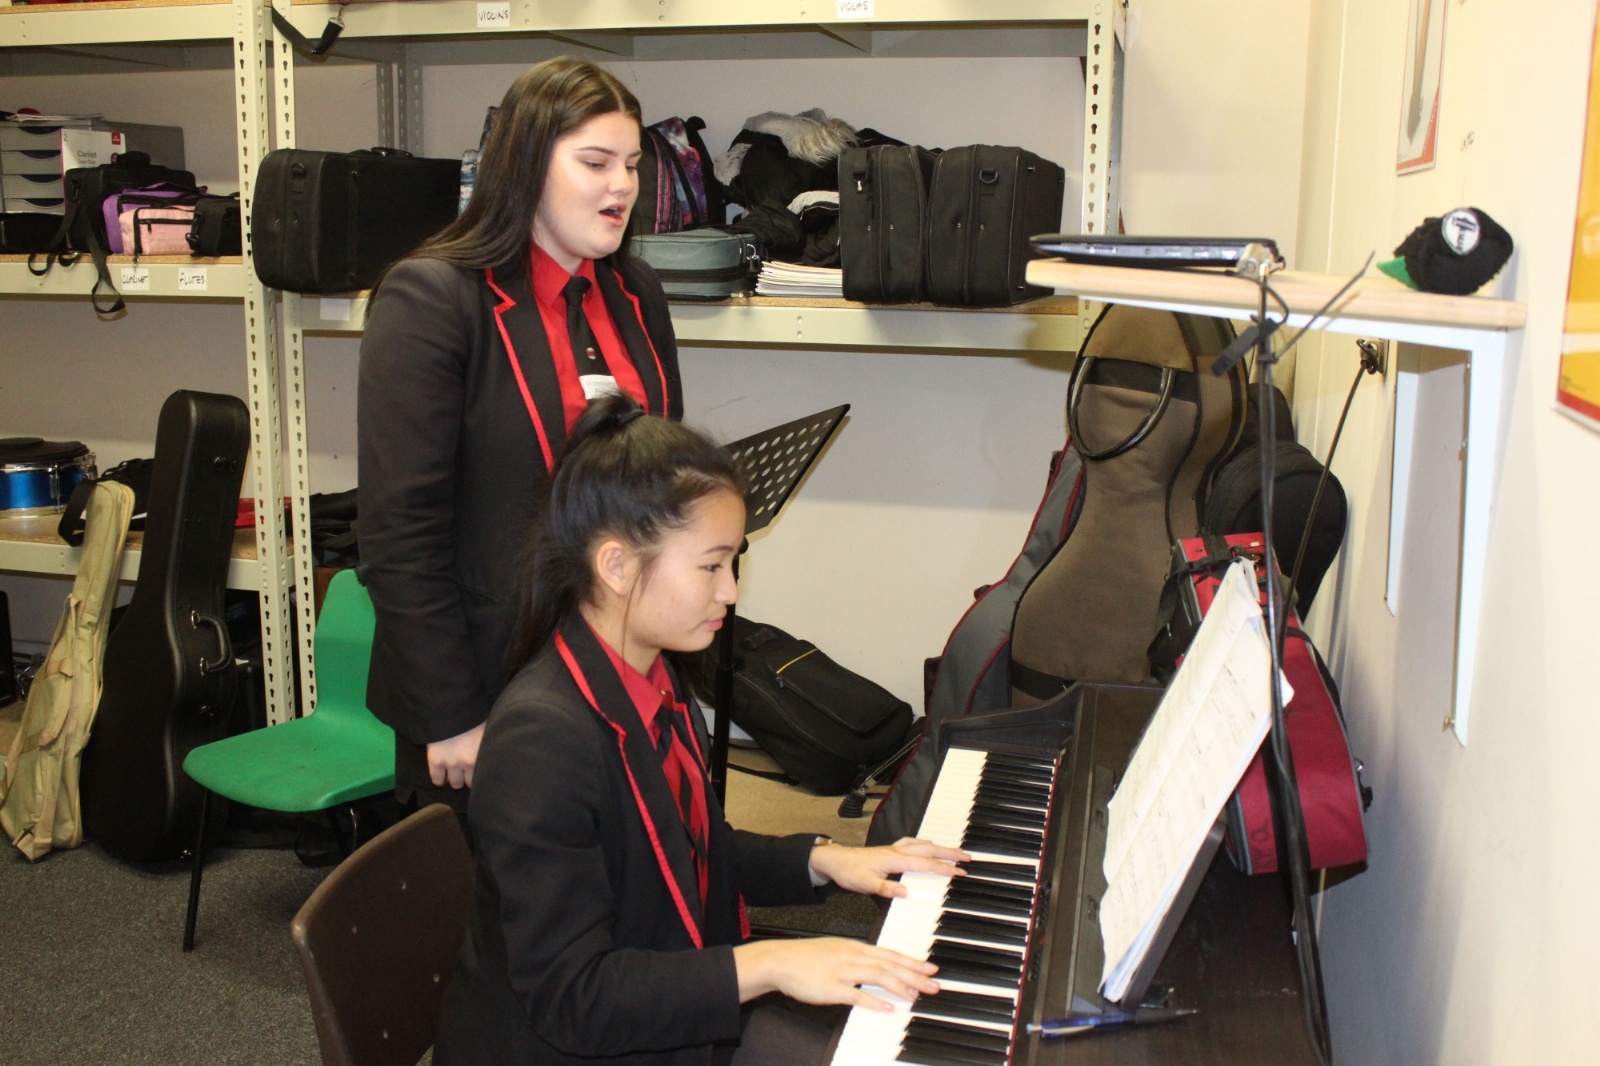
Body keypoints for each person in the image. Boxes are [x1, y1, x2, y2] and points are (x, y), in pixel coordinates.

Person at [434, 394, 967, 1066]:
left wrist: (824, 859)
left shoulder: (653, 676)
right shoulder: (542, 740)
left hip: (655, 1000)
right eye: (712, 565)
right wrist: (769, 963)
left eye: (733, 563)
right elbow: (574, 998)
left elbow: (686, 849)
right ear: (616, 566)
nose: (731, 591)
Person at [358, 56, 681, 816]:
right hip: (484, 679)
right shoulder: (432, 298)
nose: (622, 186)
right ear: (527, 165)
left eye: (632, 165)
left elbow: (658, 468)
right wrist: (450, 715)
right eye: (595, 163)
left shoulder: (636, 292)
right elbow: (400, 533)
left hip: (618, 661)